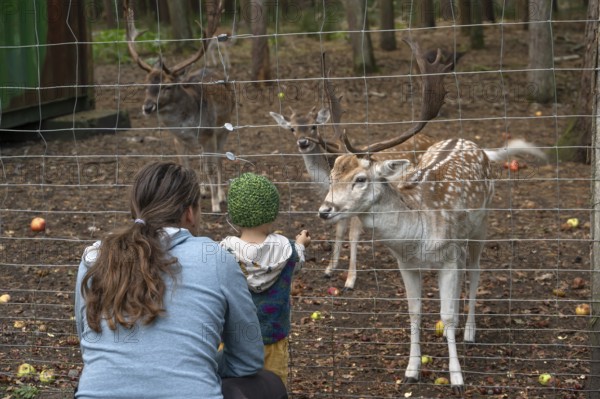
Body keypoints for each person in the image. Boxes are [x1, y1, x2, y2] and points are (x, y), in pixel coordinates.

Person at [74, 161, 288, 399]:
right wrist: (196, 363)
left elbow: (90, 346)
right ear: (189, 212)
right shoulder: (216, 258)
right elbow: (248, 361)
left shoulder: (93, 258)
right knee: (269, 384)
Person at [220, 172, 311, 388]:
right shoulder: (288, 249)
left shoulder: (223, 252)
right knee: (273, 387)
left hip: (234, 340)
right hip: (274, 338)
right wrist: (301, 243)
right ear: (272, 213)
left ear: (235, 215)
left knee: (231, 386)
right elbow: (298, 260)